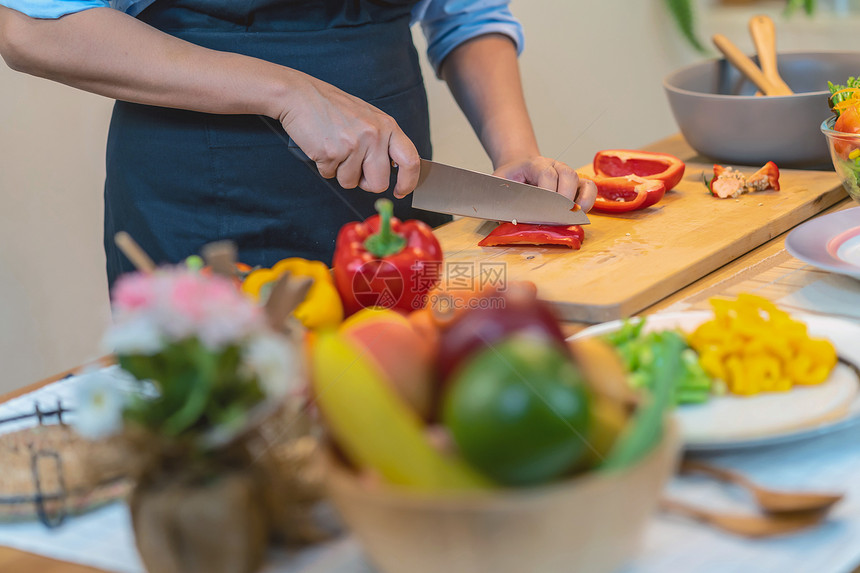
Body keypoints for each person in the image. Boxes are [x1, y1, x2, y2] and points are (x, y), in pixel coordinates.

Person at [0, 0, 597, 286]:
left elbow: (465, 13)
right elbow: (31, 26)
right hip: (207, 212)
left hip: (391, 200)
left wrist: (514, 152)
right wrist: (289, 93)